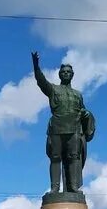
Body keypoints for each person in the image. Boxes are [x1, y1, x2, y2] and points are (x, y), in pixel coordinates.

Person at [32, 51, 95, 193]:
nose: (66, 73)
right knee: (55, 158)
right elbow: (41, 81)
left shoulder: (78, 94)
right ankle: (55, 188)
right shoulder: (53, 89)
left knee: (73, 158)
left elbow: (83, 112)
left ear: (72, 75)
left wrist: (86, 114)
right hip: (57, 129)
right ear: (60, 74)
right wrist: (36, 66)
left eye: (68, 72)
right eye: (63, 72)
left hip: (74, 130)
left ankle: (72, 186)